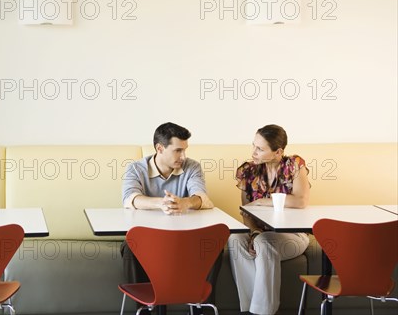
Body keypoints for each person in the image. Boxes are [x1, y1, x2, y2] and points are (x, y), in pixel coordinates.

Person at [120, 122, 219, 315]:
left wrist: (186, 203)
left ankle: (201, 307)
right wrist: (161, 203)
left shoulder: (192, 167)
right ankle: (144, 309)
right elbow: (130, 199)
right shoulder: (136, 169)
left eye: (185, 150)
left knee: (213, 245)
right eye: (178, 151)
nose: (183, 156)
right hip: (148, 240)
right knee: (130, 247)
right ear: (160, 148)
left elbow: (203, 198)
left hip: (185, 239)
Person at [228, 124, 311, 315]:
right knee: (234, 240)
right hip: (259, 233)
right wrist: (255, 232)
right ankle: (251, 309)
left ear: (278, 152)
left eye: (260, 149)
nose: (253, 152)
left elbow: (301, 200)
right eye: (253, 146)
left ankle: (264, 312)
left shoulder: (295, 165)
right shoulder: (248, 171)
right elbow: (246, 212)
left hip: (294, 235)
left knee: (264, 243)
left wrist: (265, 201)